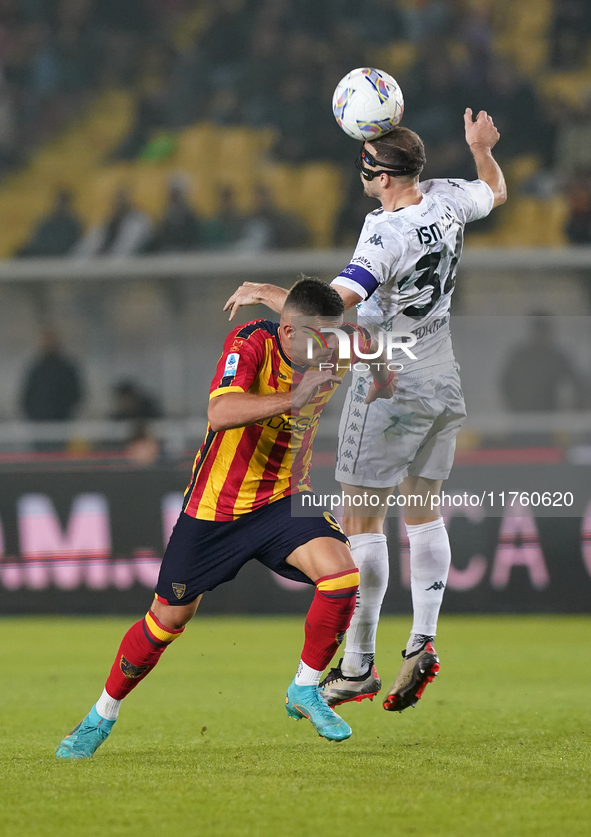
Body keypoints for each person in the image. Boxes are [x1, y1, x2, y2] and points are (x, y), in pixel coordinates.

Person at [224, 108, 506, 713]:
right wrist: (482, 148)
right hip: (441, 371)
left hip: (390, 376)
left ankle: (356, 664)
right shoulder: (450, 197)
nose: (362, 173)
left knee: (362, 520)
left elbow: (330, 310)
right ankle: (423, 638)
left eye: (365, 166)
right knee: (424, 510)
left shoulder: (384, 233)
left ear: (381, 176)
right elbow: (497, 190)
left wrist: (269, 293)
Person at [55, 278, 397, 758]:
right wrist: (292, 399)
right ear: (286, 332)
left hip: (283, 499)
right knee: (165, 622)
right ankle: (101, 715)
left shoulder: (334, 341)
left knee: (342, 577)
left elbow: (376, 345)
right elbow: (219, 412)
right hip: (216, 509)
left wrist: (382, 382)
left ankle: (305, 687)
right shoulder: (252, 341)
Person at [21, 329, 83, 421]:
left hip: (62, 421)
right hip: (37, 422)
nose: (46, 343)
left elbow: (75, 394)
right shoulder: (36, 369)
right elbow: (27, 396)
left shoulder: (67, 368)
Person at [16, 188, 82, 258]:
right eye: (57, 202)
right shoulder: (47, 222)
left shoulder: (72, 225)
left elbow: (74, 246)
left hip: (59, 255)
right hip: (42, 252)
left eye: (62, 202)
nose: (59, 205)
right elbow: (37, 240)